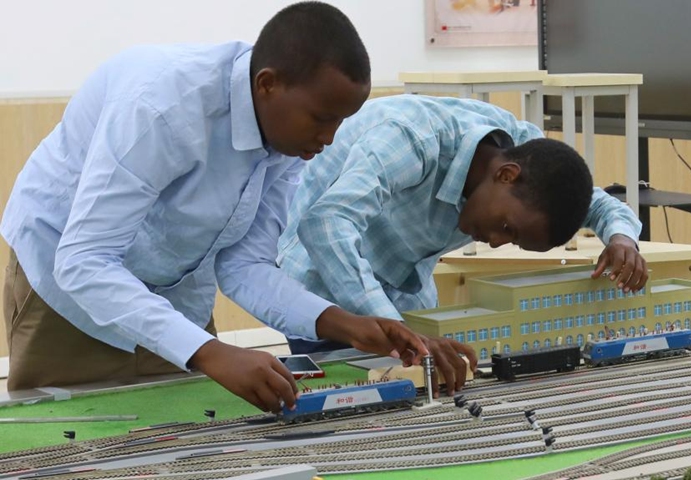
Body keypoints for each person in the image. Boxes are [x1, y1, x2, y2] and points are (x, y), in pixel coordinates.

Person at [1, 2, 433, 414]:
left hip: (174, 290)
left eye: (340, 121)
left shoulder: (289, 138)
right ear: (267, 85)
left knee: (191, 434)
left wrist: (344, 323)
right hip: (67, 286)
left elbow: (244, 265)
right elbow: (84, 261)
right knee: (72, 440)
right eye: (322, 118)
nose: (330, 138)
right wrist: (207, 351)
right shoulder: (160, 107)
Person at [277, 94, 649, 368]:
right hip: (323, 280)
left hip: (398, 287)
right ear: (506, 176)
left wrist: (621, 237)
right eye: (507, 228)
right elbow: (326, 224)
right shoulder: (411, 140)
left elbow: (595, 202)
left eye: (513, 241)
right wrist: (400, 333)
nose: (498, 242)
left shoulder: (529, 159)